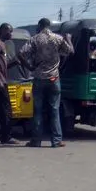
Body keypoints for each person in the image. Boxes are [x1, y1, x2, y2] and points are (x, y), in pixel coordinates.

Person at [18, 18, 74, 148]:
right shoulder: (58, 38)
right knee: (54, 110)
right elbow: (70, 51)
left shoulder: (35, 39)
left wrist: (30, 67)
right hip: (54, 78)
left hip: (39, 78)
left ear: (39, 26)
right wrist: (69, 39)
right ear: (49, 26)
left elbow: (21, 54)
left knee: (37, 111)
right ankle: (56, 140)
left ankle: (36, 140)